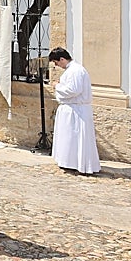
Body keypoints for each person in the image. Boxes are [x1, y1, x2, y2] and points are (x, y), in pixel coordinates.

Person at [50, 47, 100, 175]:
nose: (57, 66)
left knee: (74, 137)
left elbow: (73, 90)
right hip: (72, 108)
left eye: (57, 63)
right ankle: (69, 161)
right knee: (69, 137)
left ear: (62, 59)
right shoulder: (72, 70)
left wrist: (57, 86)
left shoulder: (75, 71)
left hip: (76, 109)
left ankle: (76, 163)